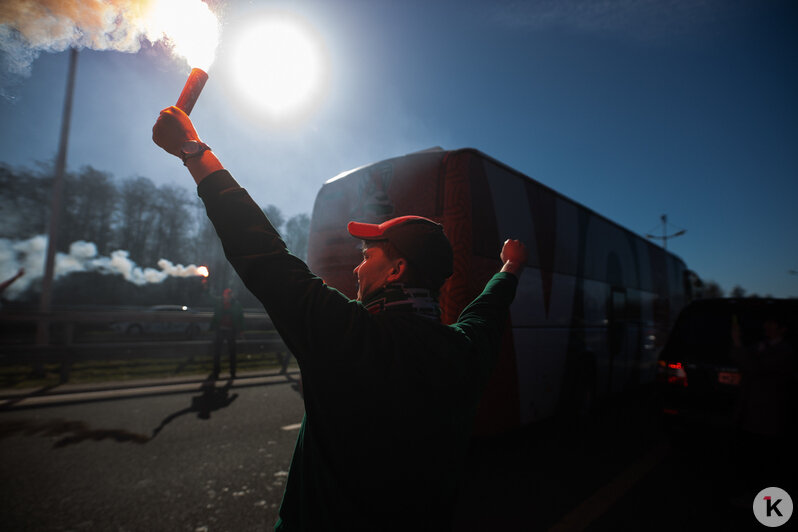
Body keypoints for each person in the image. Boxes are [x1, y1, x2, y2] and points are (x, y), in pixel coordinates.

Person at [152, 106, 528, 531]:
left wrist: (192, 150)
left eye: (368, 256)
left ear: (397, 270)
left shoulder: (348, 335)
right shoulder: (464, 352)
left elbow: (262, 252)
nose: (356, 268)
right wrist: (509, 270)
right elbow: (489, 310)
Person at [731, 313, 796, 493]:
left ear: (783, 329)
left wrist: (737, 342)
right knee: (750, 456)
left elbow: (754, 367)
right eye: (767, 322)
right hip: (750, 413)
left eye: (772, 323)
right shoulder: (761, 345)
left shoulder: (785, 352)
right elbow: (743, 361)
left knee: (764, 459)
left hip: (768, 417)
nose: (767, 326)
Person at [210, 287, 244, 379]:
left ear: (231, 295)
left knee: (232, 352)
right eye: (226, 294)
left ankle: (232, 372)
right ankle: (216, 371)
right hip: (220, 330)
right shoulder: (219, 302)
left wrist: (241, 331)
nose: (227, 296)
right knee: (217, 352)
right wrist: (206, 287)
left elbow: (240, 318)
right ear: (224, 295)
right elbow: (210, 298)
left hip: (231, 330)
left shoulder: (236, 305)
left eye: (229, 294)